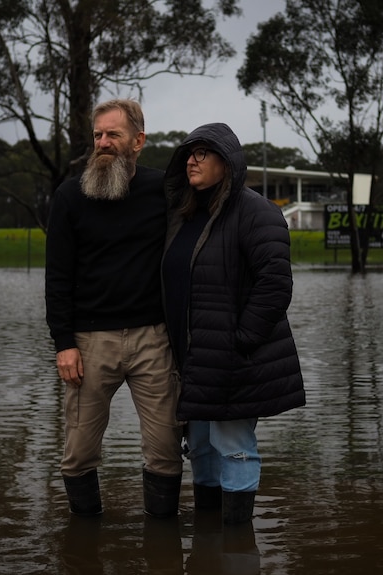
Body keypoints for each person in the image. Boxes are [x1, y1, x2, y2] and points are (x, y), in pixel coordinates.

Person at [161, 123, 306, 525]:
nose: (192, 159)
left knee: (233, 442)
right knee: (202, 445)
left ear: (228, 163)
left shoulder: (258, 212)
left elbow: (275, 286)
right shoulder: (182, 215)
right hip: (194, 358)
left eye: (203, 153)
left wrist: (241, 340)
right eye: (189, 152)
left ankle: (238, 544)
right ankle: (210, 537)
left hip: (234, 356)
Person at [45, 99, 183, 518]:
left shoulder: (165, 190)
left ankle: (163, 547)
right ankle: (85, 539)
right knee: (79, 453)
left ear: (138, 141)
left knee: (165, 451)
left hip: (153, 339)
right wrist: (64, 343)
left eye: (114, 135)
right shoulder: (69, 196)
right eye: (98, 135)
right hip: (89, 343)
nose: (103, 143)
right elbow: (56, 277)